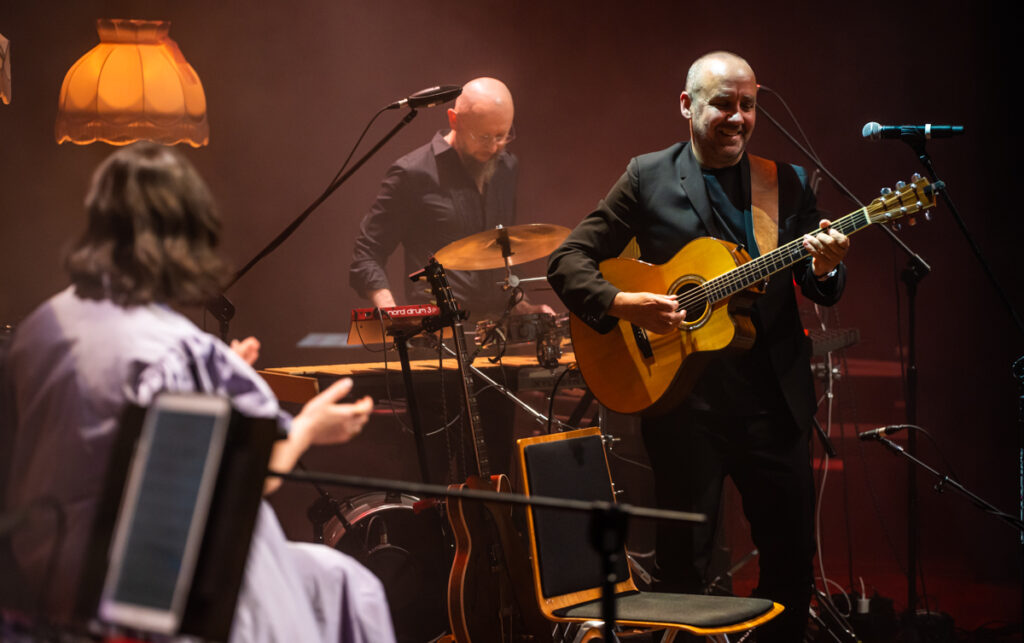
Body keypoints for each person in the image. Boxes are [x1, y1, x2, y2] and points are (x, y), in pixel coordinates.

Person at [1, 142, 396, 643]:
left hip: (43, 570)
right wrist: (308, 427)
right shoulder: (174, 350)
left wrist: (213, 376)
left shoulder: (40, 328)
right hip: (139, 584)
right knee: (349, 587)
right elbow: (249, 480)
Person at [547, 51, 850, 642]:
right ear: (687, 104)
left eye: (748, 105)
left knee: (790, 567)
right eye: (723, 104)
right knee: (681, 568)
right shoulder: (647, 175)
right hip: (685, 408)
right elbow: (568, 259)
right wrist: (624, 303)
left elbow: (819, 285)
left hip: (775, 405)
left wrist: (829, 266)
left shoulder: (785, 183)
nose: (737, 117)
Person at [349, 76, 550, 320]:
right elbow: (368, 252)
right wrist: (393, 312)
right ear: (454, 120)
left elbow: (505, 249)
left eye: (503, 136)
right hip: (439, 332)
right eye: (484, 137)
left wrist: (522, 304)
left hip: (498, 330)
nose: (495, 147)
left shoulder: (507, 167)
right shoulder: (412, 174)